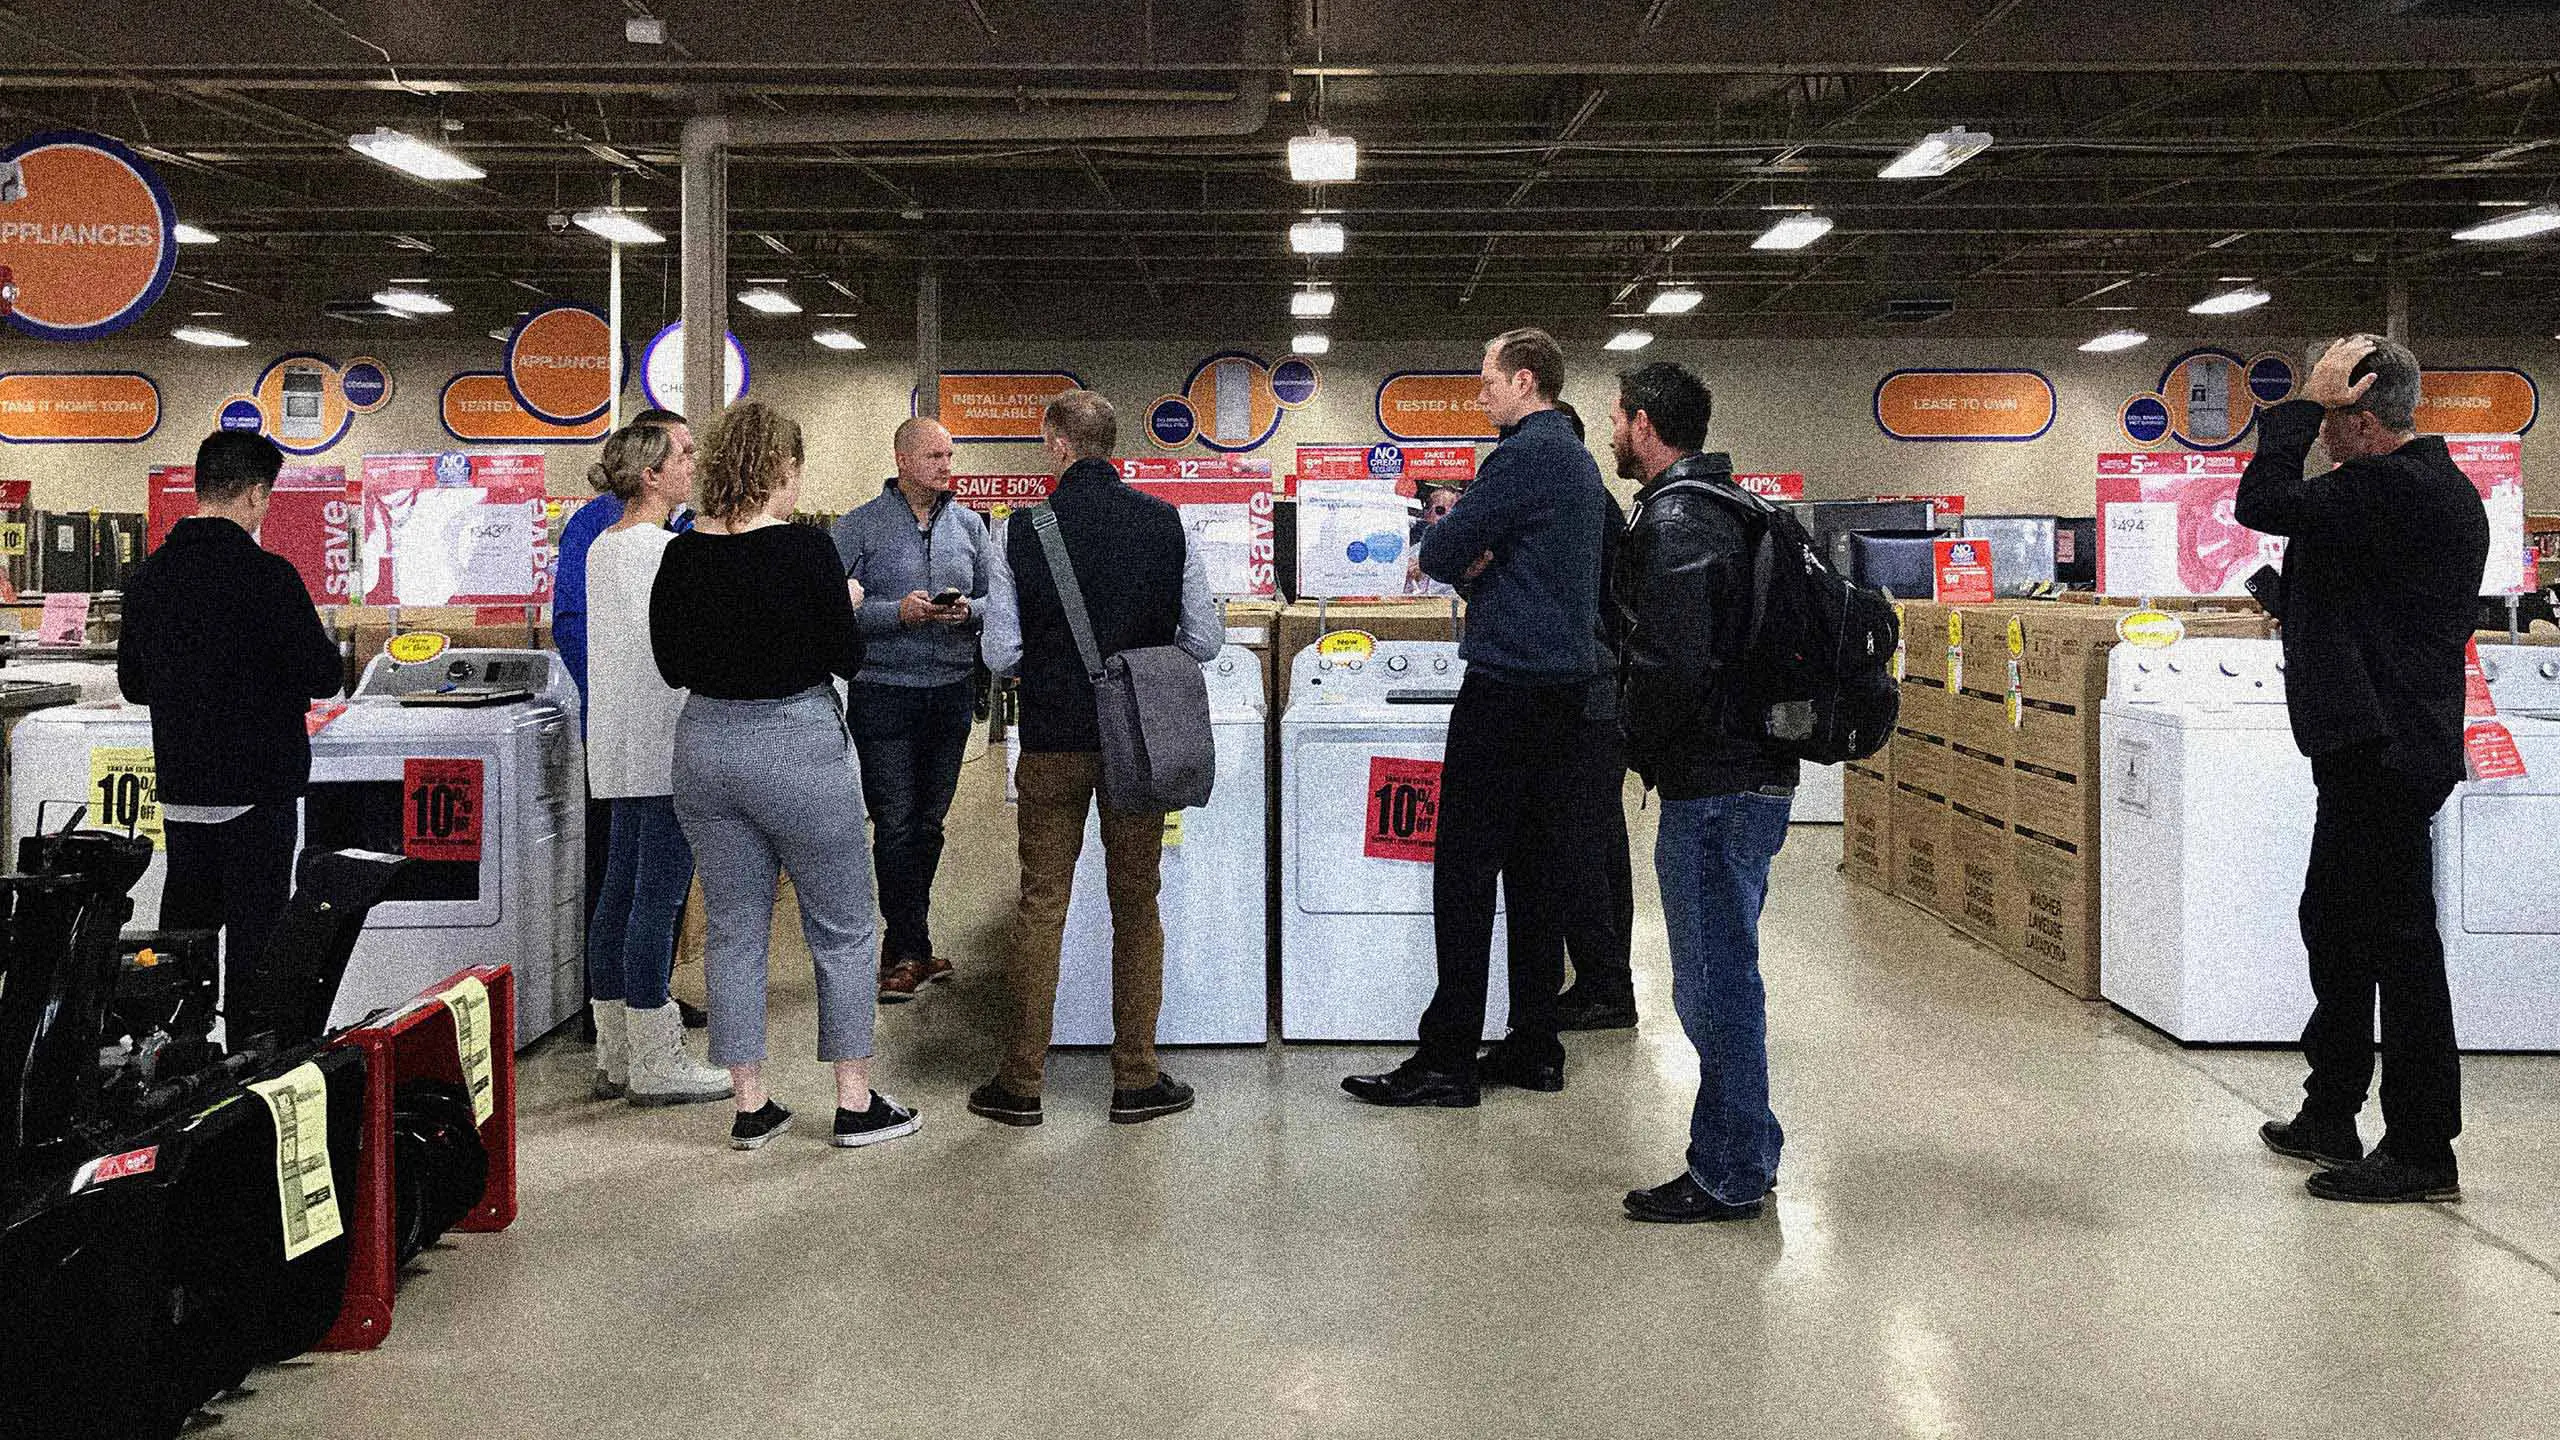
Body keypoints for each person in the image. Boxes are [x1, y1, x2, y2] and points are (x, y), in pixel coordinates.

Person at [2234, 335, 2488, 1205]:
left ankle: (2423, 1149)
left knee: (2399, 948)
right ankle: (2331, 1110)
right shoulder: (2399, 492)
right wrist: (2291, 604)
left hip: (2388, 752)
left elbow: (2263, 501)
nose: (2324, 440)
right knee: (2336, 927)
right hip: (2365, 746)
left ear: (2365, 419)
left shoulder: (2403, 487)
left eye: (2334, 420)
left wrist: (2295, 408)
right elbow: (2366, 594)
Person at [1344, 327, 1608, 1108]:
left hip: (1507, 686)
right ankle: (1534, 1044)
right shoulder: (1580, 462)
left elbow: (1443, 546)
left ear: (1525, 381)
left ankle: (1449, 1058)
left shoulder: (1524, 455)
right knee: (1536, 873)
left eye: (1487, 378)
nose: (1479, 392)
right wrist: (1481, 553)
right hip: (1566, 692)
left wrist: (1467, 548)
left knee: (1462, 870)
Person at [650, 400, 919, 1153]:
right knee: (842, 926)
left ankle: (751, 1105)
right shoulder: (807, 552)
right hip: (795, 744)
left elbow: (672, 666)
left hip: (705, 747)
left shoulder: (680, 555)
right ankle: (855, 1101)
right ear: (779, 469)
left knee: (735, 930)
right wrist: (848, 602)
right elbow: (847, 656)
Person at [969, 389, 1220, 1128]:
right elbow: (1203, 639)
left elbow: (1002, 649)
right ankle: (1136, 1079)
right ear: (1114, 445)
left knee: (1041, 904)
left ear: (1056, 444)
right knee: (1136, 903)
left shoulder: (1018, 533)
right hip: (1137, 744)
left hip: (1051, 739)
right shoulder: (1166, 523)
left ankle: (1020, 1084)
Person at [1607, 361, 1798, 1223]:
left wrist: (1624, 738)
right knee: (1726, 976)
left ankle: (1728, 1172)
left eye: (1617, 418)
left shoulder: (1680, 519)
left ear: (1645, 425)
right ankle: (1746, 1149)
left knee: (1714, 983)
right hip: (1748, 773)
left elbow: (1671, 663)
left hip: (1716, 785)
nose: (1612, 432)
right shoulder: (1736, 507)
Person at [118, 430, 343, 1038]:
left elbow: (134, 684)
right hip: (258, 788)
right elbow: (323, 675)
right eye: (265, 499)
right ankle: (251, 1066)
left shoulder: (148, 578)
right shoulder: (270, 577)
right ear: (252, 495)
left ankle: (177, 1051)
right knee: (258, 935)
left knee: (184, 936)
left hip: (184, 789)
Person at [582, 419, 729, 1107]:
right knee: (658, 900)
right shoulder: (665, 551)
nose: (693, 463)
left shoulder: (601, 548)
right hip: (663, 743)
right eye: (684, 455)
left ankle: (614, 1051)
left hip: (615, 742)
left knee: (618, 891)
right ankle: (655, 1058)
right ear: (651, 474)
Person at [831, 417, 995, 1003]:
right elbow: (827, 610)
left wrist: (967, 614)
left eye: (950, 456)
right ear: (902, 460)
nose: (947, 467)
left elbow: (994, 598)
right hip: (884, 694)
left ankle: (914, 943)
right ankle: (900, 950)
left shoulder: (973, 527)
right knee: (896, 824)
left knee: (929, 824)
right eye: (934, 457)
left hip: (949, 691)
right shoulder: (858, 528)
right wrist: (892, 613)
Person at [1548, 399, 1640, 1032]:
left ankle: (1606, 985)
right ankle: (1606, 977)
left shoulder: (1584, 508)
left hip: (1590, 691)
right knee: (1599, 839)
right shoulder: (1599, 506)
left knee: (1584, 840)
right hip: (1601, 688)